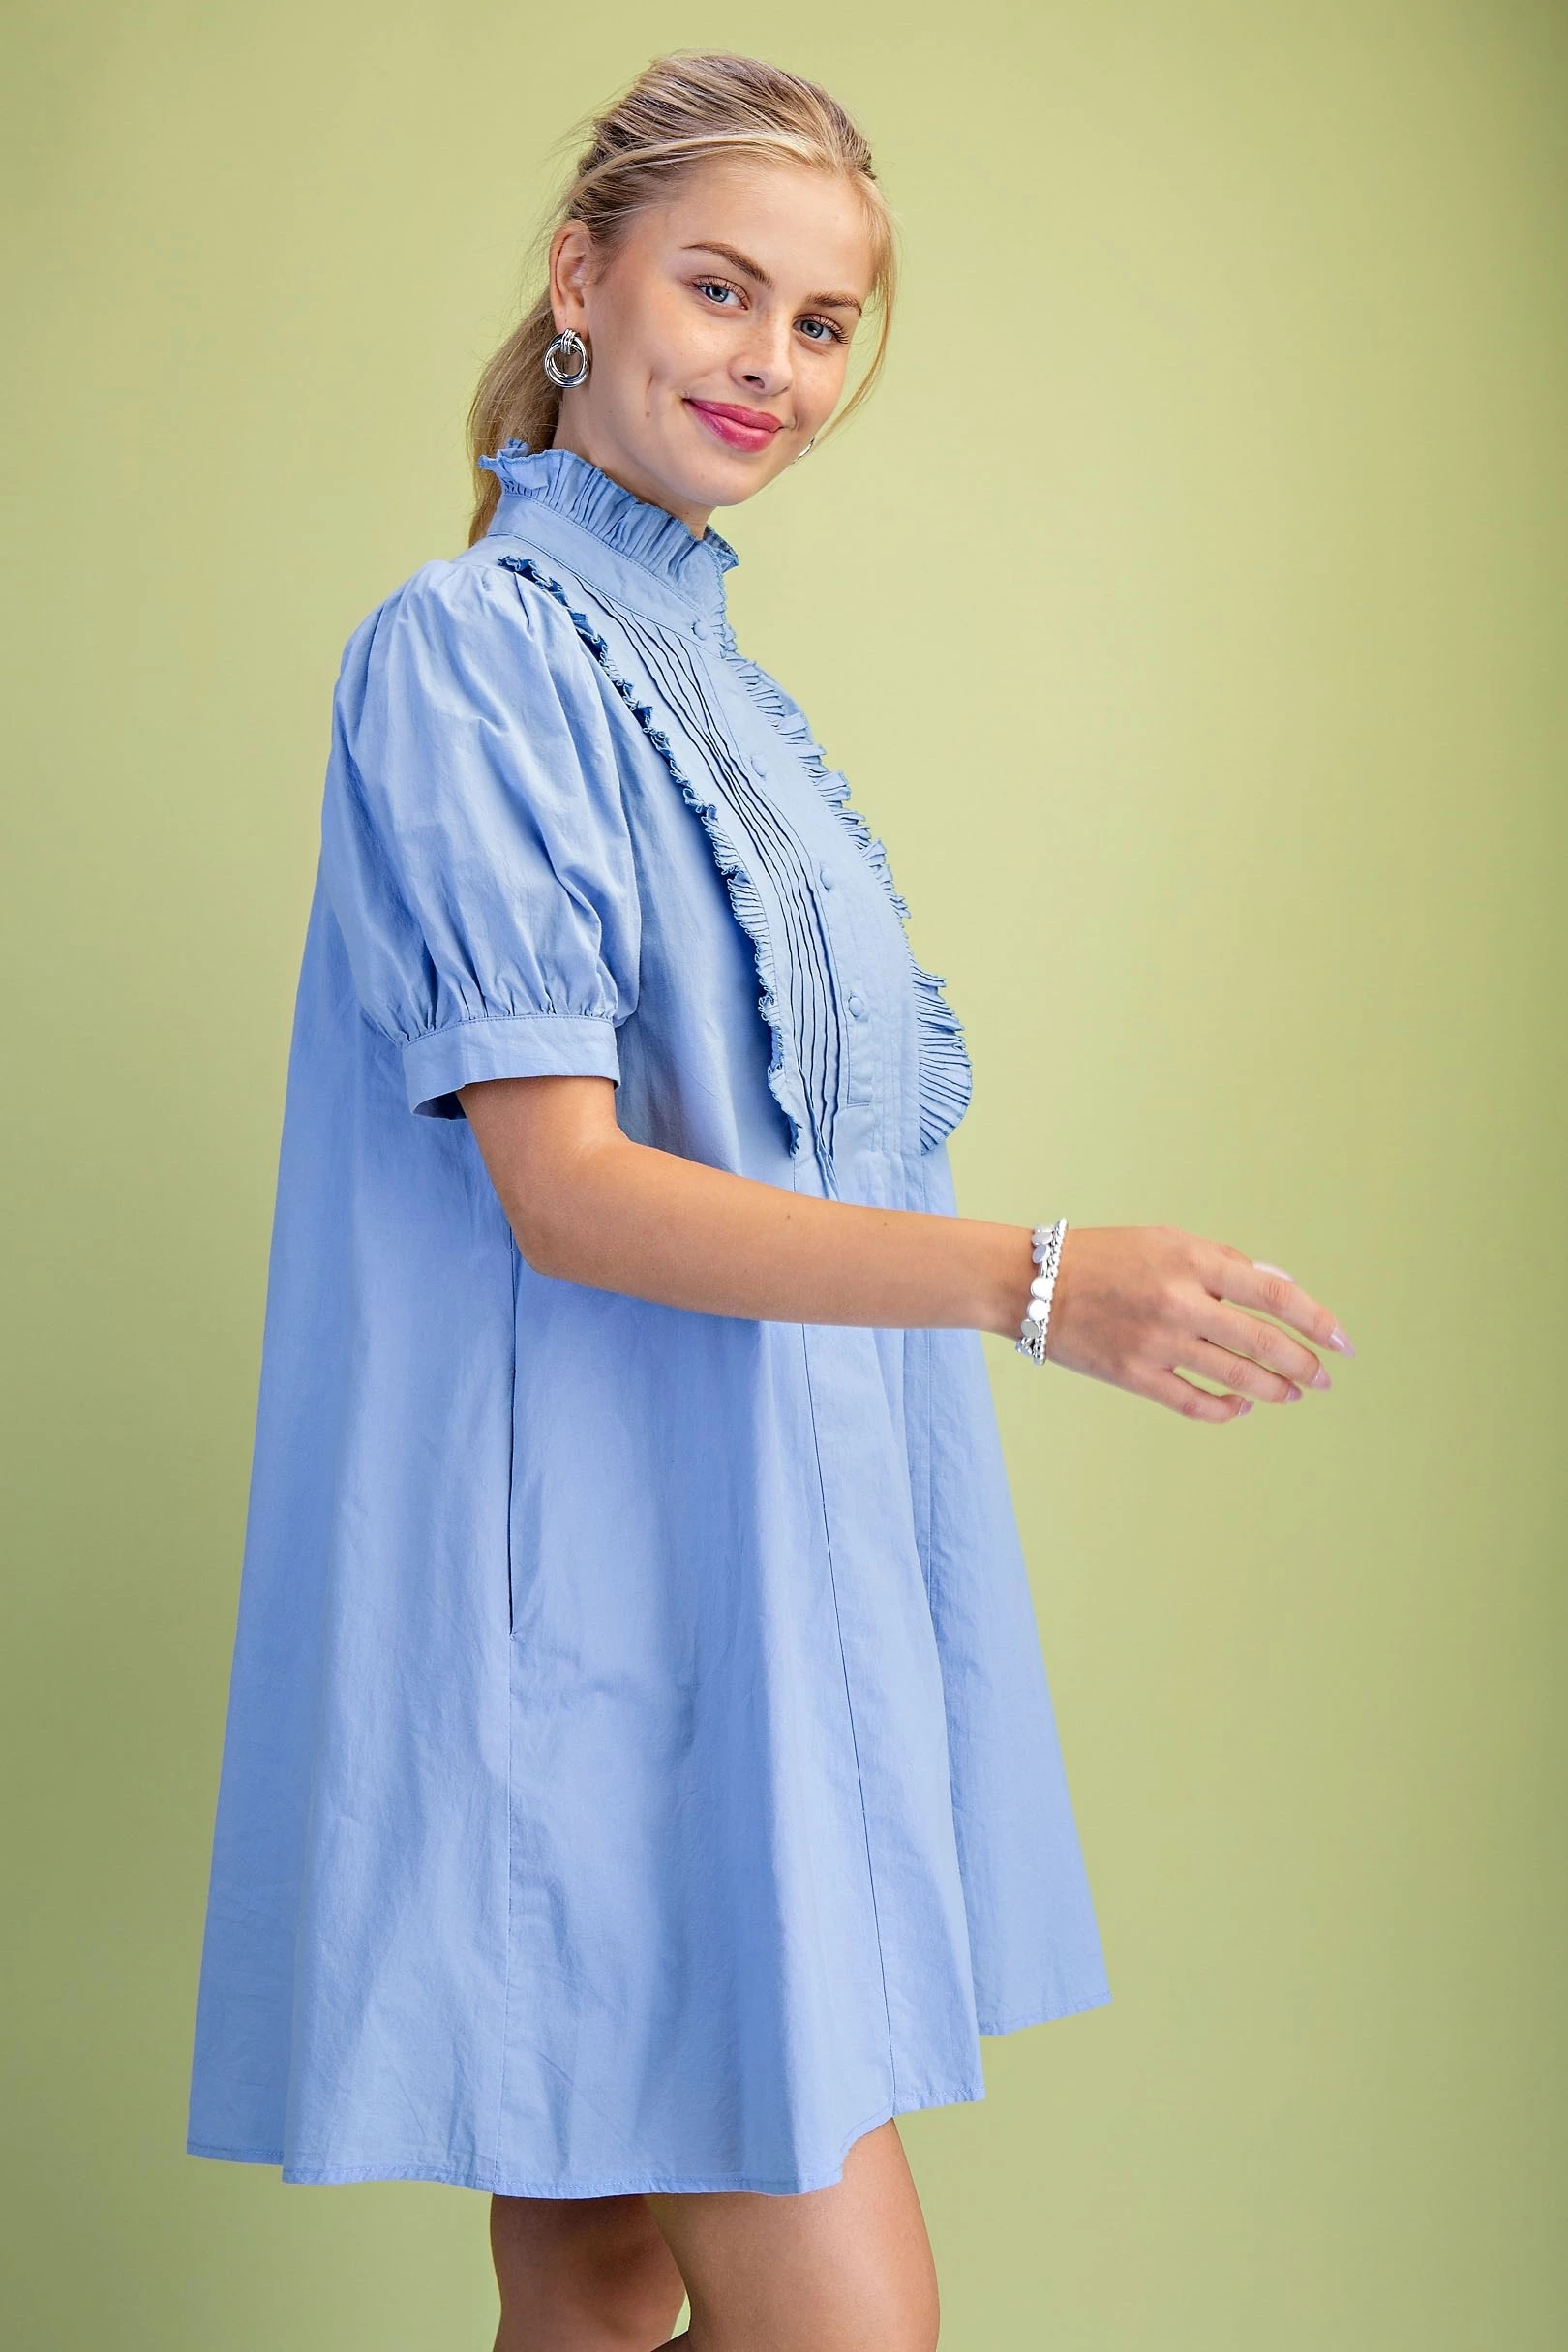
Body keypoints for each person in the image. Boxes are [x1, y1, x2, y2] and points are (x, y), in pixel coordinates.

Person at [184, 48, 1354, 2352]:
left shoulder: (715, 682)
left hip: (747, 1604)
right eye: (721, 290)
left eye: (824, 323)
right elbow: (567, 1193)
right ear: (583, 278)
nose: (774, 366)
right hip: (587, 1637)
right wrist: (1040, 1283)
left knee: (595, 2288)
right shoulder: (470, 652)